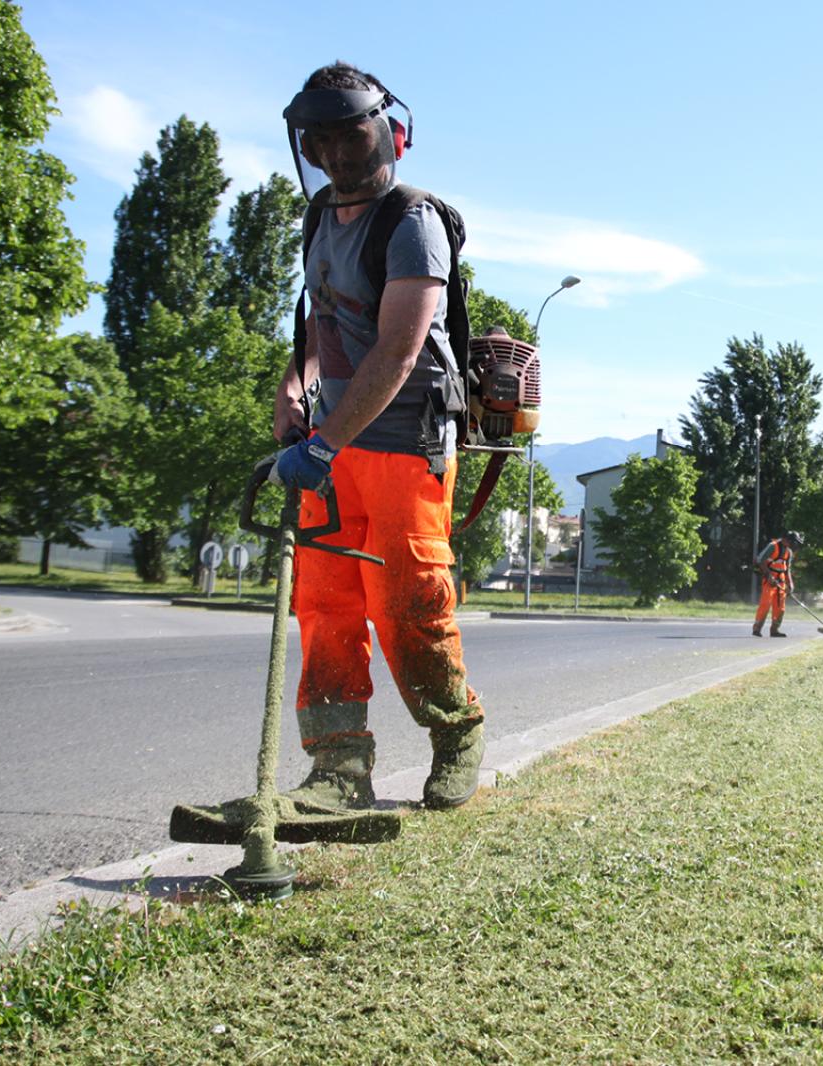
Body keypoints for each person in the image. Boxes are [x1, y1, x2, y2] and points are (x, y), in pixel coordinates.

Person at [270, 61, 484, 811]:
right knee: (324, 603)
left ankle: (456, 734)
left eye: (349, 138)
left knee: (407, 600)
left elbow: (397, 349)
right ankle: (337, 769)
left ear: (390, 131)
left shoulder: (412, 222)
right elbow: (323, 320)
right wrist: (294, 389)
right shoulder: (319, 216)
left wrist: (323, 442)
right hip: (334, 442)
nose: (335, 157)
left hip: (406, 438)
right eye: (319, 143)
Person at [753, 531, 804, 637]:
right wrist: (768, 575)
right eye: (793, 542)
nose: (794, 545)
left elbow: (787, 569)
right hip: (769, 579)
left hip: (781, 580)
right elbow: (760, 560)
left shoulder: (789, 552)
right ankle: (757, 629)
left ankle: (774, 630)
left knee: (780, 607)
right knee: (765, 603)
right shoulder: (772, 546)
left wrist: (790, 583)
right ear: (786, 539)